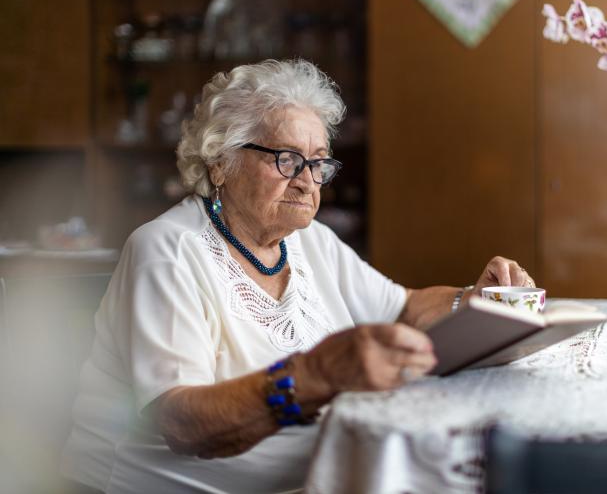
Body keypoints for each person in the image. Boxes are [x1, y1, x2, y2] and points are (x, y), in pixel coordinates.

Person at [62, 59, 535, 493]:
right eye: (285, 159)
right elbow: (186, 424)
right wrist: (315, 374)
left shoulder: (311, 242)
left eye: (318, 162)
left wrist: (476, 298)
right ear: (220, 163)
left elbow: (405, 309)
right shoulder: (167, 251)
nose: (307, 180)